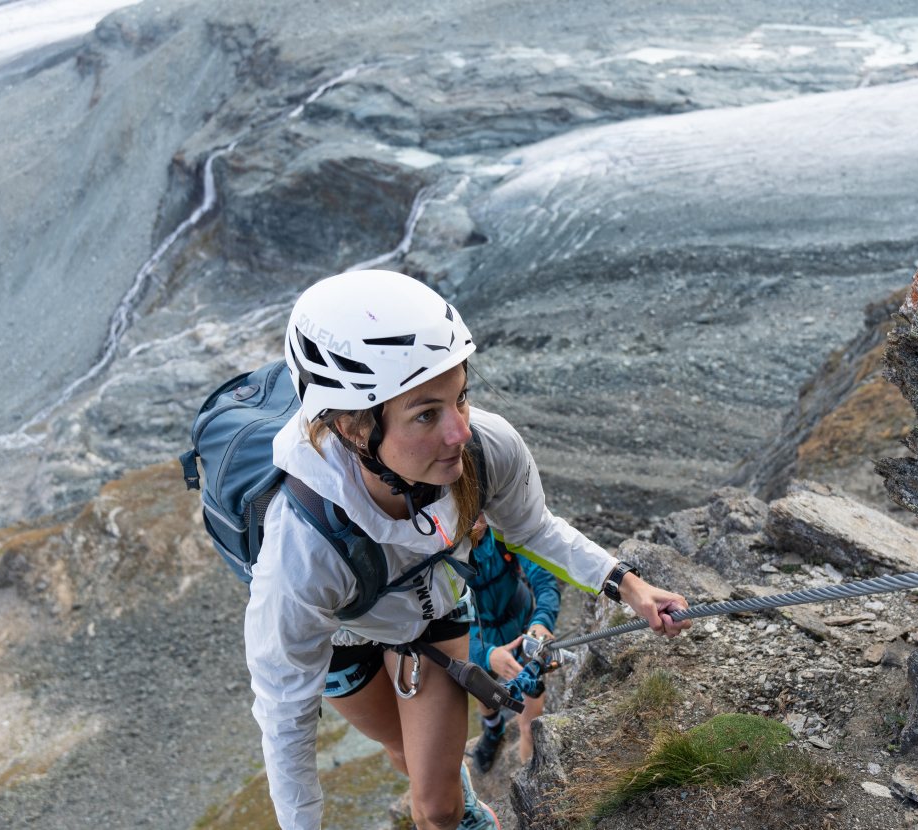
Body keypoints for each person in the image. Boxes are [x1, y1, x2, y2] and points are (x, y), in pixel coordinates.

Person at [244, 270, 691, 830]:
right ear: (355, 428)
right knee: (405, 750)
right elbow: (286, 713)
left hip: (429, 609)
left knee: (438, 808)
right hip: (341, 632)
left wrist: (629, 585)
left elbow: (534, 530)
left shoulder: (486, 447)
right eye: (426, 414)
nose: (459, 432)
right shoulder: (301, 548)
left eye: (461, 398)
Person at [464, 531, 561, 773]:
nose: (476, 520)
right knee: (485, 692)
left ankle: (527, 784)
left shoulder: (504, 530)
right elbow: (437, 627)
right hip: (477, 637)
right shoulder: (439, 553)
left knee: (530, 725)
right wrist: (486, 655)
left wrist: (542, 622)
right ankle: (493, 727)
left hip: (523, 627)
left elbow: (544, 579)